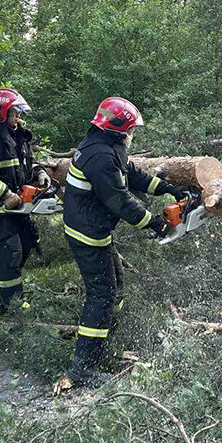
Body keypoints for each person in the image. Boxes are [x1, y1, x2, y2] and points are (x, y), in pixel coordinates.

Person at [62, 97, 190, 388]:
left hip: (93, 229)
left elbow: (133, 176)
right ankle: (82, 368)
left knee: (114, 289)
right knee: (102, 295)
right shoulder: (100, 157)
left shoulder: (105, 146)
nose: (132, 134)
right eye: (131, 129)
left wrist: (170, 189)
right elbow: (120, 200)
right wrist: (156, 224)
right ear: (119, 128)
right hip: (87, 234)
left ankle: (103, 340)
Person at [0, 88, 51, 310]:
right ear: (1, 113)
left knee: (25, 245)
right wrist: (6, 194)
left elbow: (29, 164)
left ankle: (5, 294)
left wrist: (40, 173)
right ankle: (12, 304)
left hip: (20, 208)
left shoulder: (19, 137)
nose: (19, 117)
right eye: (15, 112)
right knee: (11, 253)